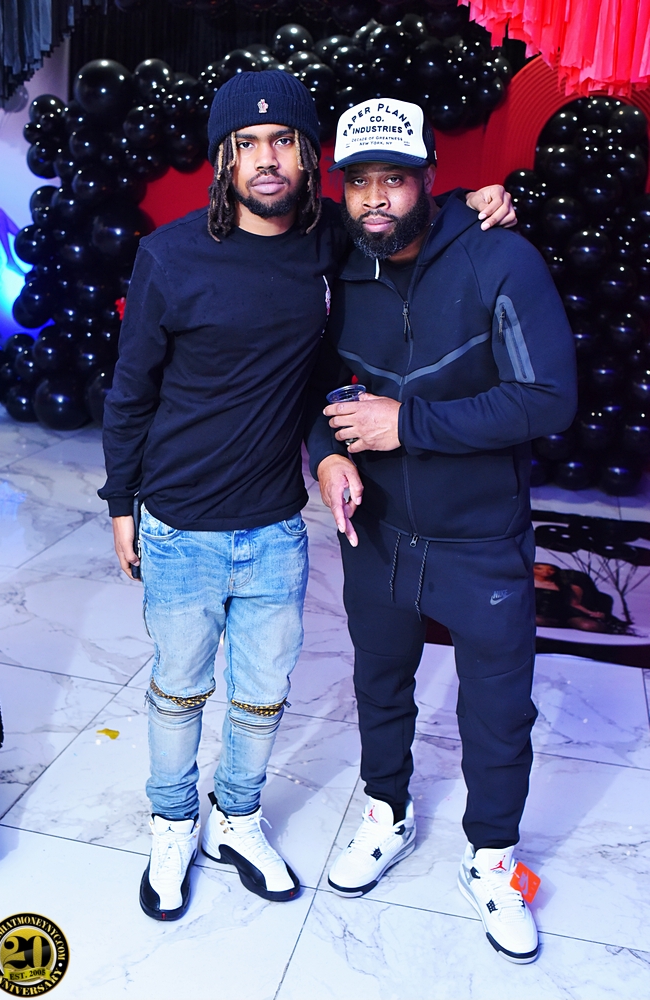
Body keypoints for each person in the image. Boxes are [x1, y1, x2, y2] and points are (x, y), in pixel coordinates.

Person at [98, 71, 516, 923]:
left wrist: (482, 199)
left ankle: (237, 819)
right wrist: (120, 502)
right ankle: (172, 826)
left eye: (283, 141)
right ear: (223, 159)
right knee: (178, 692)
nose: (266, 159)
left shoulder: (327, 236)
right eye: (246, 144)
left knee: (260, 696)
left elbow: (402, 213)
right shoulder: (170, 256)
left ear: (308, 155)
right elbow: (130, 390)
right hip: (179, 522)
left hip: (274, 526)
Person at [307, 97, 578, 964]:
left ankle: (492, 858)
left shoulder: (501, 258)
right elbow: (312, 381)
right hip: (376, 529)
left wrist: (407, 424)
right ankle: (386, 812)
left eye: (394, 179)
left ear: (430, 180)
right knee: (380, 684)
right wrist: (328, 456)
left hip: (480, 536)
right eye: (359, 183)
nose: (375, 199)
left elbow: (548, 399)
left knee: (497, 710)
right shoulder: (340, 265)